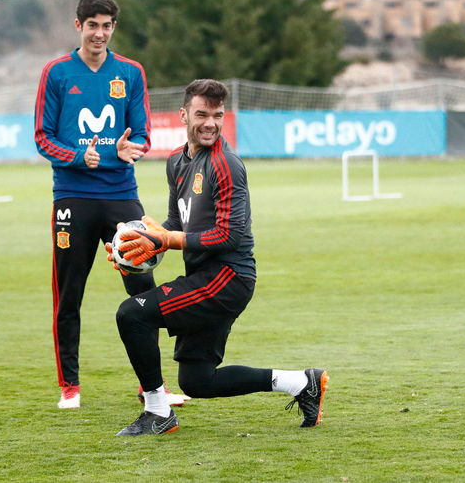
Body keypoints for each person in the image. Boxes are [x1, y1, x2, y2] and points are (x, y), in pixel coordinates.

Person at [106, 79, 329, 435]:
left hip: (227, 277)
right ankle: (302, 383)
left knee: (132, 314)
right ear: (183, 115)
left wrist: (165, 239)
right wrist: (138, 245)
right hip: (206, 276)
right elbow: (176, 223)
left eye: (217, 115)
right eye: (201, 114)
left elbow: (229, 235)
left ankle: (158, 413)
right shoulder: (178, 162)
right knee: (197, 381)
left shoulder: (227, 165)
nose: (209, 123)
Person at [34, 0, 187, 409]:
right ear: (78, 27)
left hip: (121, 195)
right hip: (72, 197)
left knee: (144, 290)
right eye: (91, 25)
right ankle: (70, 387)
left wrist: (129, 148)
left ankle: (151, 388)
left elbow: (142, 133)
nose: (99, 33)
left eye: (106, 26)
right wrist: (76, 155)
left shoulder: (131, 72)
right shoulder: (57, 73)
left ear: (113, 28)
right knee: (69, 294)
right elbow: (42, 136)